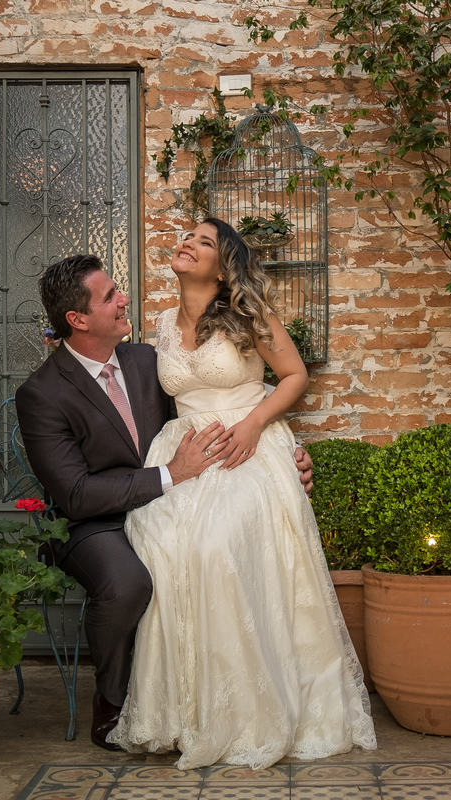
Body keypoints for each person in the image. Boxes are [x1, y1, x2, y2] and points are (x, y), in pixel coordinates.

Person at [15, 253, 314, 751]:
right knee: (130, 581)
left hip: (168, 500)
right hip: (92, 522)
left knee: (210, 549)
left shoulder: (143, 360)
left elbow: (221, 391)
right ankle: (113, 698)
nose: (124, 299)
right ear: (77, 320)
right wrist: (170, 474)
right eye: (110, 296)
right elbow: (76, 494)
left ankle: (200, 698)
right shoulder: (41, 394)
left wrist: (285, 451)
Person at [107, 218, 377, 770]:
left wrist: (254, 424)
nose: (188, 242)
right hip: (183, 450)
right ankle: (184, 715)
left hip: (246, 446)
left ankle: (246, 713)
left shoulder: (249, 314)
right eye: (188, 235)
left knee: (214, 547)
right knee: (156, 544)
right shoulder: (159, 324)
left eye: (204, 241)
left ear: (223, 267)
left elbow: (294, 375)